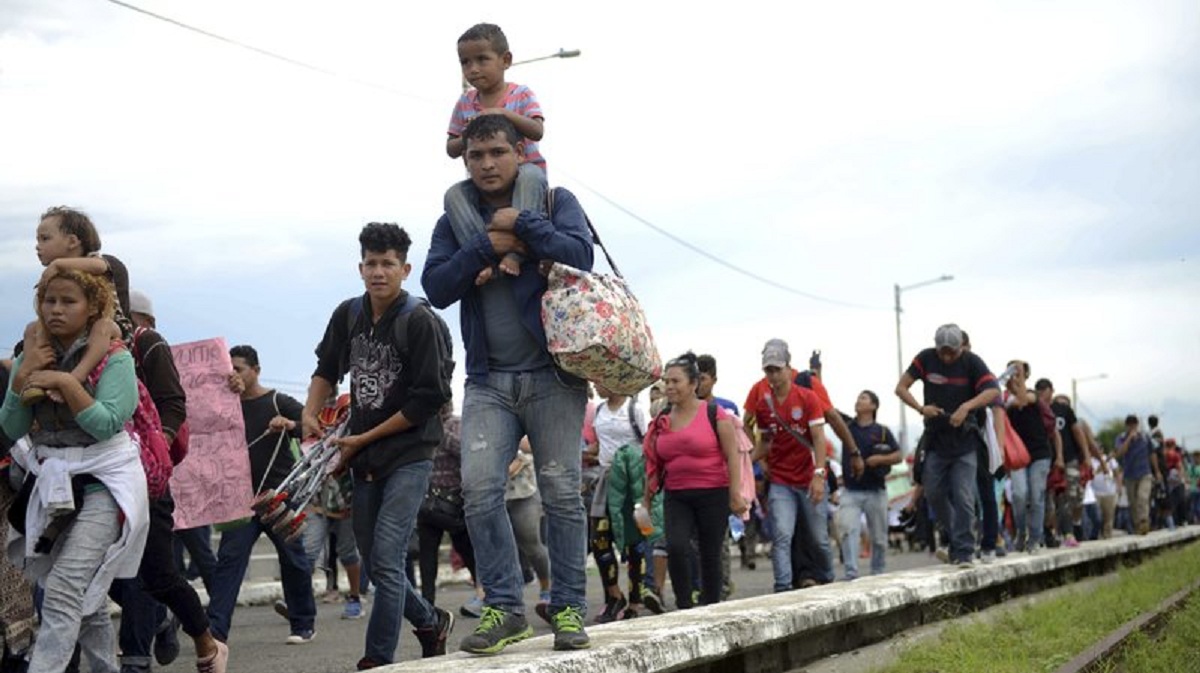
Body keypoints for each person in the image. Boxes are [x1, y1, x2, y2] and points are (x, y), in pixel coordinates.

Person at [422, 113, 595, 655]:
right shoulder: (454, 220)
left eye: (497, 152)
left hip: (554, 377)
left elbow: (581, 254)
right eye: (476, 155)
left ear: (519, 152)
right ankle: (505, 608)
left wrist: (522, 227)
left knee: (563, 494)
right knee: (477, 491)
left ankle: (568, 607)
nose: (487, 163)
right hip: (488, 382)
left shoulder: (552, 199)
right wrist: (485, 246)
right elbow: (436, 285)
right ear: (465, 160)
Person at [306, 222, 455, 669]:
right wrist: (310, 416)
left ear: (405, 269)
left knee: (386, 562)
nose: (378, 272)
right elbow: (325, 369)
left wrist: (362, 437)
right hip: (362, 456)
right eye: (371, 263)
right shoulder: (348, 315)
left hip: (409, 455)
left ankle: (378, 659)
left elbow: (429, 400)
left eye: (388, 263)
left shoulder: (421, 322)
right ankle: (430, 621)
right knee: (375, 563)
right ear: (360, 267)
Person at [2, 269, 149, 673]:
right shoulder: (31, 354)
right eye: (50, 301)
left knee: (64, 586)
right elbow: (12, 427)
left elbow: (105, 423)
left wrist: (66, 383)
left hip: (104, 480)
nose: (57, 310)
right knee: (86, 599)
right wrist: (24, 374)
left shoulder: (115, 358)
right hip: (54, 481)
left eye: (69, 302)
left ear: (91, 309)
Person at [108, 290, 228, 673]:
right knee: (100, 573)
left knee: (157, 573)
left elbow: (174, 405)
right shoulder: (82, 352)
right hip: (103, 478)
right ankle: (161, 618)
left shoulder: (149, 346)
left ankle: (183, 645)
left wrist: (150, 451)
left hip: (151, 477)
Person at [206, 345, 317, 645]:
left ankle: (303, 622)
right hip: (240, 499)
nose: (233, 374)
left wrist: (290, 424)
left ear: (256, 370)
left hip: (278, 496)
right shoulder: (225, 406)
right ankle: (216, 632)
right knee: (229, 560)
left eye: (239, 368)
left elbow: (314, 427)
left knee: (293, 559)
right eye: (229, 369)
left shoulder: (279, 401)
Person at [446, 22, 548, 286]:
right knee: (454, 194)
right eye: (465, 62)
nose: (473, 69)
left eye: (482, 59)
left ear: (506, 60)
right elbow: (451, 147)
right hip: (483, 184)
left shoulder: (520, 94)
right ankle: (486, 256)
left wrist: (502, 114)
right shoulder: (465, 103)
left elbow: (537, 130)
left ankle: (516, 252)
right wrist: (468, 134)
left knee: (531, 176)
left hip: (524, 173)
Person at [643, 353, 747, 608]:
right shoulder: (663, 419)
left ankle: (710, 604)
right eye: (667, 381)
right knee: (676, 546)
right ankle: (684, 604)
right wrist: (646, 499)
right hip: (677, 494)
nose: (669, 387)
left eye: (675, 381)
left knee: (709, 553)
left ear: (692, 385)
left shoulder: (715, 414)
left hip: (713, 493)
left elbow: (732, 456)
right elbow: (654, 462)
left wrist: (735, 493)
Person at [895, 324, 999, 568]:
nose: (947, 357)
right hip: (935, 439)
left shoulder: (972, 362)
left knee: (963, 496)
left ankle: (963, 551)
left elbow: (993, 391)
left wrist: (966, 407)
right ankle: (956, 538)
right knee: (933, 493)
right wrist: (921, 408)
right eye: (943, 352)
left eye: (952, 352)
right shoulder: (925, 359)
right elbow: (901, 387)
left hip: (964, 441)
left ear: (961, 347)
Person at [19, 207, 126, 407]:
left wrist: (59, 264)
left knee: (102, 327)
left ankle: (78, 375)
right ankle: (35, 378)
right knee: (33, 329)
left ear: (72, 241)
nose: (37, 246)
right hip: (69, 331)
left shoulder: (95, 261)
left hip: (109, 329)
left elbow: (102, 267)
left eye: (45, 239)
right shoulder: (55, 277)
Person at [747, 339, 831, 590]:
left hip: (808, 476)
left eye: (777, 369)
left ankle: (828, 579)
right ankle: (782, 586)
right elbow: (765, 443)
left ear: (788, 368)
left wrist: (819, 474)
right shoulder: (763, 405)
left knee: (819, 539)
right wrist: (745, 462)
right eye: (768, 370)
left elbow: (818, 438)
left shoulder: (807, 398)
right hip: (781, 480)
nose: (773, 375)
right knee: (781, 535)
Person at [583, 384, 647, 622]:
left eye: (600, 380)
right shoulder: (599, 410)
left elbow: (648, 444)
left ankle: (636, 601)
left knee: (635, 542)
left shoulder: (635, 409)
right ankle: (613, 595)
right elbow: (600, 445)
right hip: (606, 478)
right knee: (599, 540)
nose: (596, 386)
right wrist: (580, 451)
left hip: (632, 481)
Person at [299, 391, 364, 619]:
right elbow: (297, 431)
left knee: (347, 552)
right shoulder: (309, 416)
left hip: (345, 498)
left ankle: (355, 597)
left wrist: (340, 456)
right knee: (307, 553)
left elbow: (356, 442)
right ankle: (301, 605)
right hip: (317, 498)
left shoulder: (351, 409)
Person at [416, 403, 477, 613]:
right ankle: (427, 603)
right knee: (427, 555)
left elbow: (465, 451)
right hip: (426, 501)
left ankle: (484, 593)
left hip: (453, 500)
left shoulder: (456, 424)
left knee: (465, 548)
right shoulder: (419, 426)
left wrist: (439, 432)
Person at [838, 391, 902, 579]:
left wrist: (880, 459)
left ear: (874, 406)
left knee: (879, 537)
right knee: (849, 531)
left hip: (876, 490)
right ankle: (851, 573)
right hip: (851, 490)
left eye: (864, 398)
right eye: (858, 398)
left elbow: (898, 455)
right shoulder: (846, 427)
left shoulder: (882, 431)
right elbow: (829, 409)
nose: (858, 400)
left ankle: (878, 572)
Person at [1036, 381, 1093, 548]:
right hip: (1046, 461)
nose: (1043, 395)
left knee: (1072, 497)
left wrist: (1087, 455)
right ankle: (1056, 532)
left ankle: (1072, 527)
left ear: (1051, 391)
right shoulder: (1035, 410)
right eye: (1039, 392)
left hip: (1069, 459)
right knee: (1051, 501)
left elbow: (1077, 432)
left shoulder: (1063, 410)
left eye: (1045, 391)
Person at [1114, 415, 1157, 535]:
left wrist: (1157, 471)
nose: (1132, 426)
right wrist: (1129, 439)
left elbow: (1152, 453)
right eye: (1130, 424)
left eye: (1134, 424)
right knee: (1132, 502)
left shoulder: (1145, 437)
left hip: (1145, 472)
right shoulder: (1121, 438)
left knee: (1142, 497)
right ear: (1126, 425)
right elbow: (1120, 453)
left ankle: (1144, 521)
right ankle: (1138, 525)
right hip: (1129, 474)